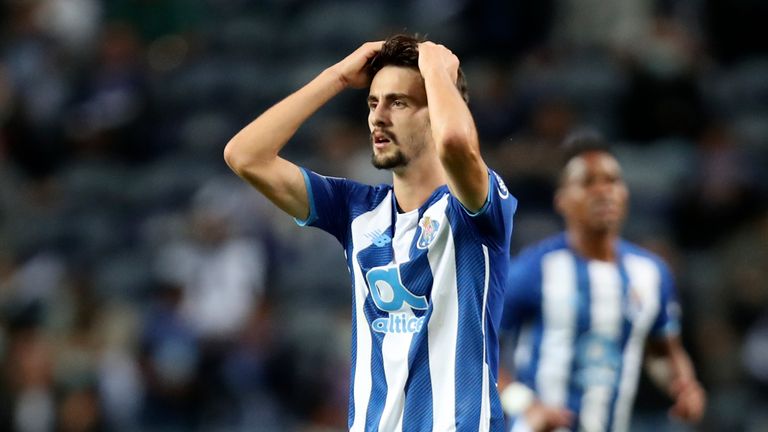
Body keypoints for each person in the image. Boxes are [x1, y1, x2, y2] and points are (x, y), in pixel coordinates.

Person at [224, 34, 516, 431]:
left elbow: (455, 143)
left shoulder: (476, 210)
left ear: (438, 112)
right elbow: (245, 156)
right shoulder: (355, 210)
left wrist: (435, 68)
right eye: (373, 103)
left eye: (399, 102)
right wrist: (338, 77)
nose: (378, 117)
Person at [498, 133, 706, 432]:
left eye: (611, 180)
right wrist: (525, 405)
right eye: (588, 182)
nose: (603, 191)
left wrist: (683, 386)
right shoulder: (535, 269)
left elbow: (663, 352)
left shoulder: (651, 273)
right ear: (562, 200)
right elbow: (480, 349)